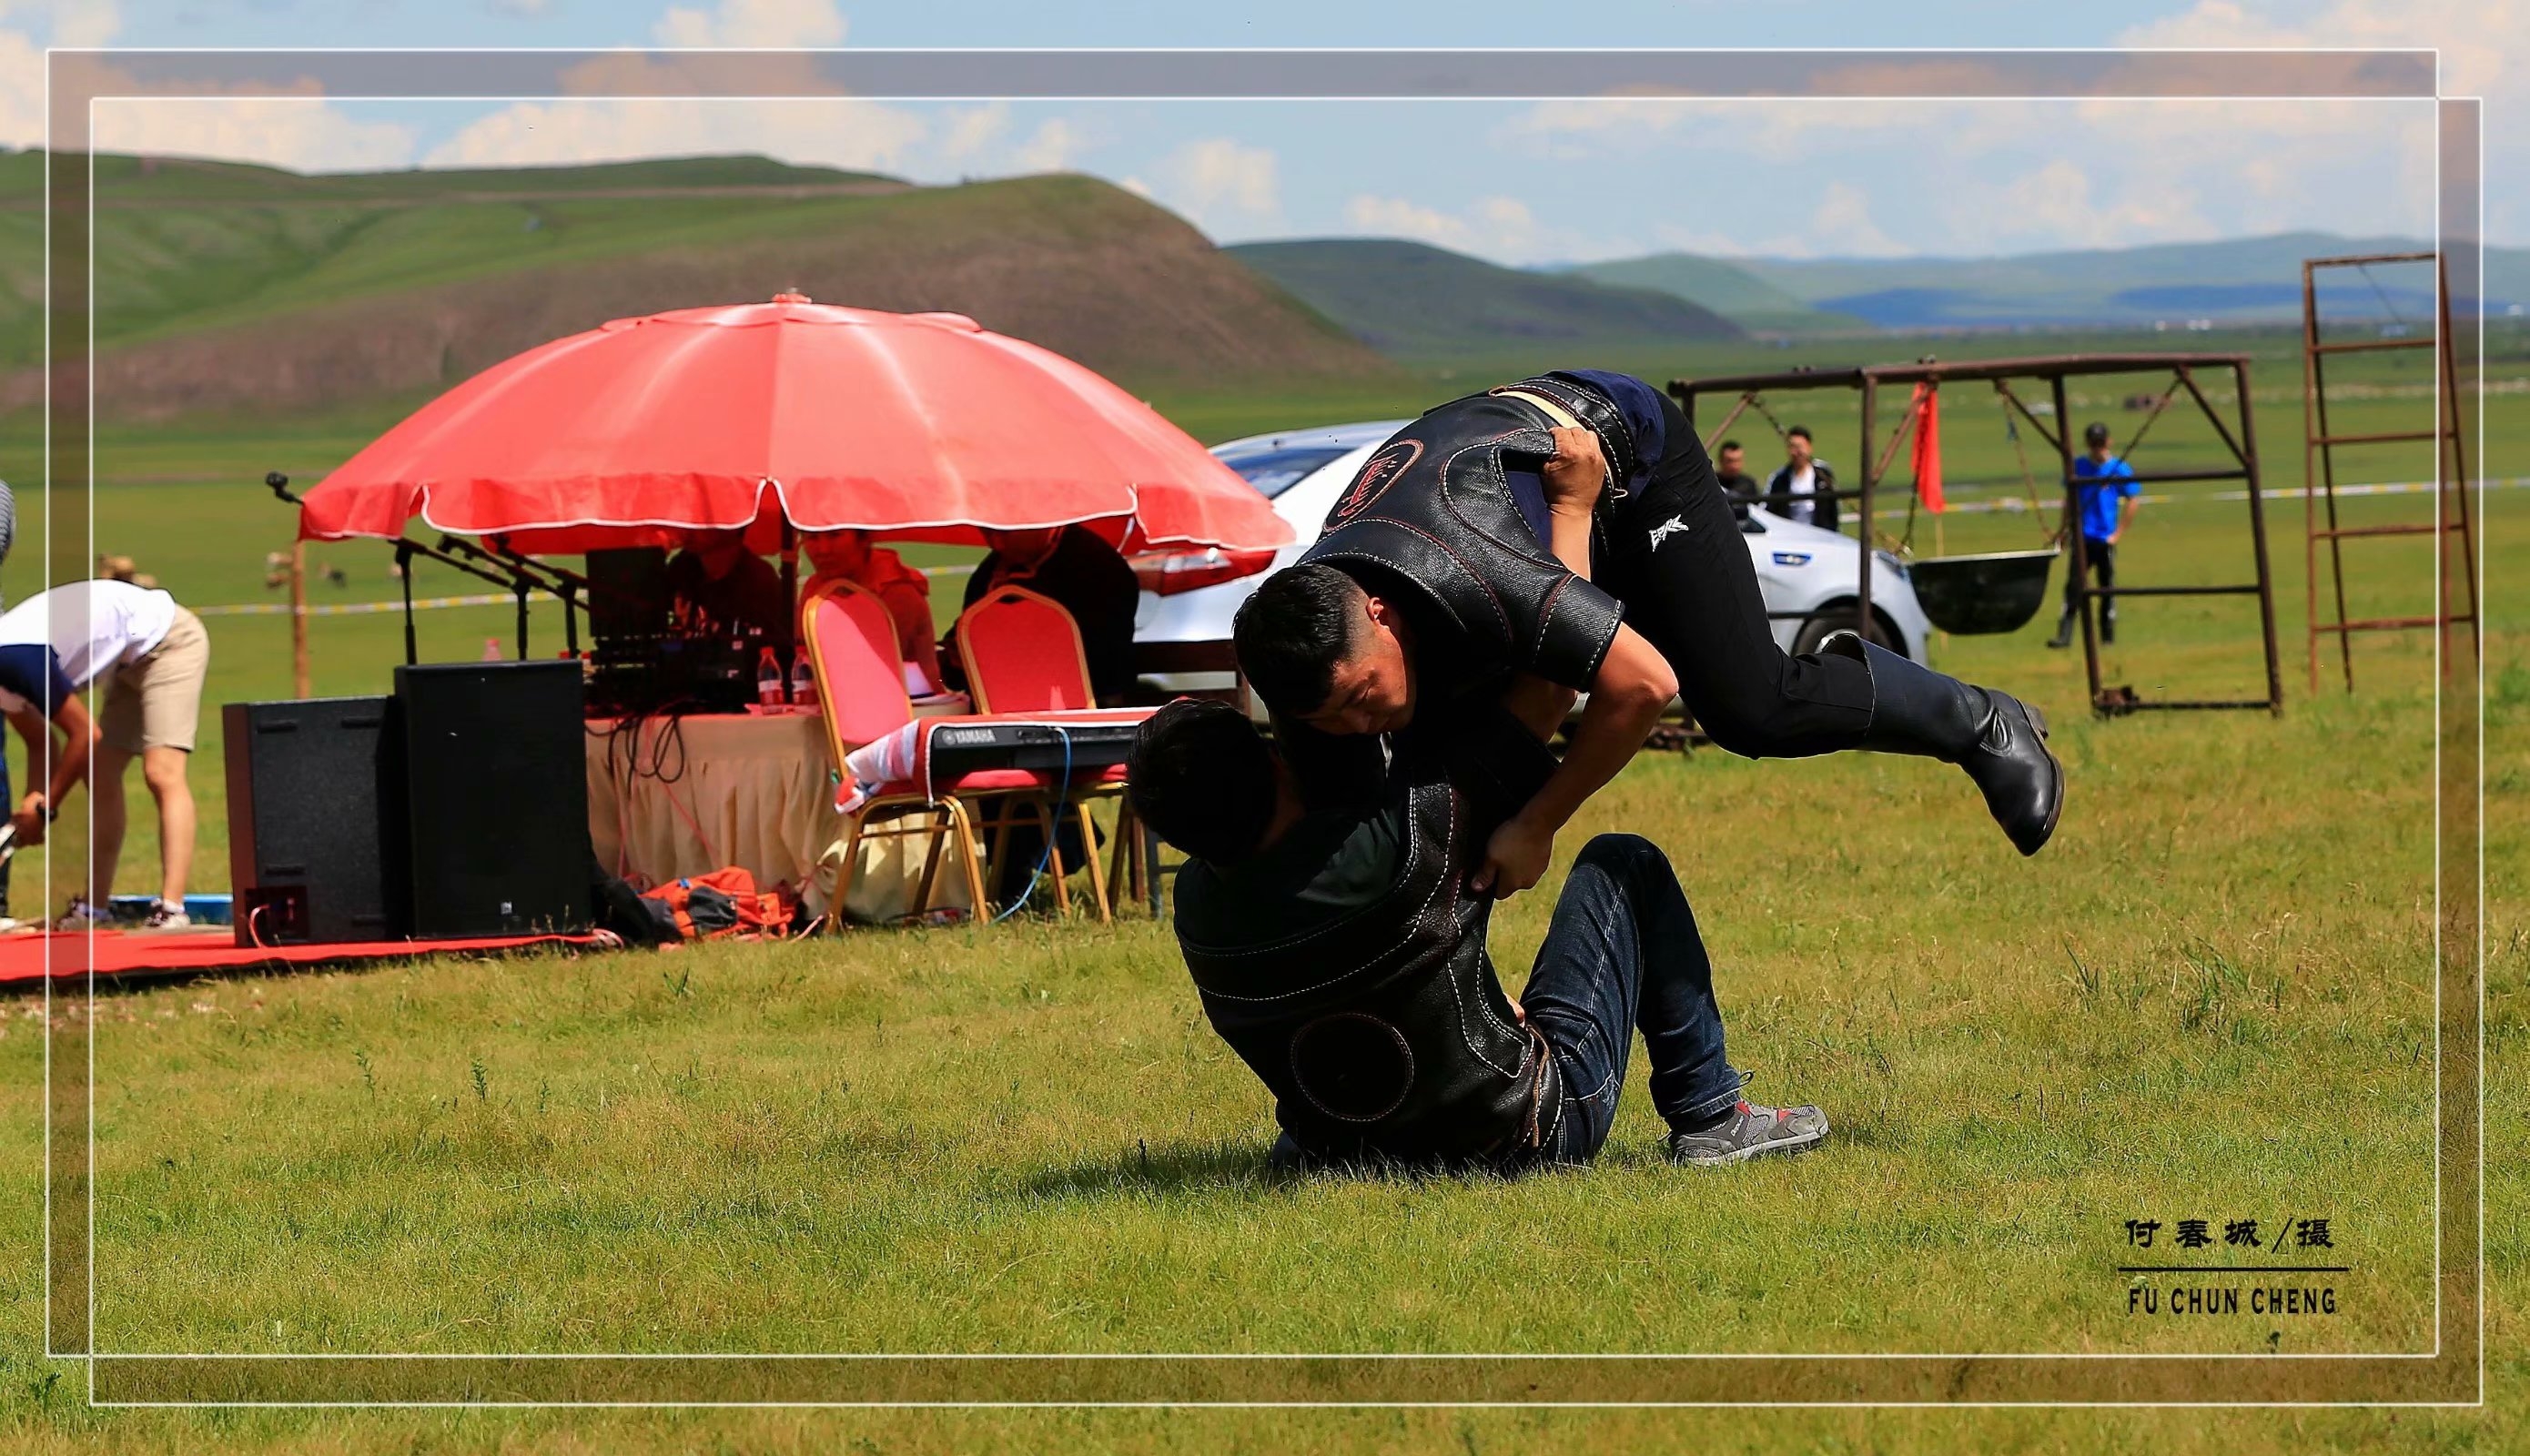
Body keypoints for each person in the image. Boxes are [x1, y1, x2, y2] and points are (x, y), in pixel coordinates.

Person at [1232, 369, 2061, 905]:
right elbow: (1324, 827)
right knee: (1421, 796)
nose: (1354, 726)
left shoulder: (1474, 569)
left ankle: (1980, 720)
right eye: (1329, 720)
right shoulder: (1313, 634)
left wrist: (1538, 824)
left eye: (1359, 699)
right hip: (1509, 500)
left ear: (1382, 617)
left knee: (1750, 708)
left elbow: (1622, 686)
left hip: (1617, 469)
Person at [1128, 692, 1827, 1172]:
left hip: (1342, 1149)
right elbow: (1543, 699)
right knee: (1624, 863)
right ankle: (1712, 1116)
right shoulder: (1392, 852)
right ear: (1275, 763)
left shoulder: (1196, 907)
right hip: (1525, 1133)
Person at [0, 579, 208, 929]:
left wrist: (47, 808)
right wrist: (33, 803)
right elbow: (41, 742)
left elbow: (84, 734)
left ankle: (173, 909)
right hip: (127, 661)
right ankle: (94, 910)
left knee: (162, 772)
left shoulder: (15, 658)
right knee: (99, 774)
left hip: (170, 640)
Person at [946, 526, 1138, 705]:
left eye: (1004, 533)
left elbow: (1103, 655)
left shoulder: (1098, 567)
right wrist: (958, 654)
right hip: (997, 708)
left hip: (1091, 704)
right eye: (987, 533)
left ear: (1039, 523)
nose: (996, 544)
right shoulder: (989, 572)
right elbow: (956, 670)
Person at [802, 530, 945, 692]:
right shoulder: (814, 589)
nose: (823, 550)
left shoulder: (896, 591)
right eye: (812, 538)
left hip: (912, 704)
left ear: (864, 539)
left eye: (835, 536)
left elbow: (865, 669)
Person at [2048, 423, 2140, 649]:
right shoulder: (2078, 466)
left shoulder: (2119, 468)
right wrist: (2062, 530)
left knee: (2106, 589)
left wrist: (2117, 534)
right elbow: (2068, 501)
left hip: (2104, 539)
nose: (2097, 448)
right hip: (2081, 538)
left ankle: (2107, 638)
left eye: (2100, 443)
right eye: (2093, 443)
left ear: (2108, 442)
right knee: (2073, 588)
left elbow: (2133, 500)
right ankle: (2064, 636)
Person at [665, 528, 787, 641]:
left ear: (733, 527)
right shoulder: (683, 566)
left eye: (706, 517)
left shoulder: (760, 580)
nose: (690, 525)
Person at [1763, 426, 1838, 531]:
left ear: (1809, 447)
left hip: (1820, 533)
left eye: (1800, 447)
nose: (1796, 452)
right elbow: (1769, 509)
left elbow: (1833, 508)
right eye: (1792, 447)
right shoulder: (1779, 478)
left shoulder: (1823, 474)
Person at [1713, 439, 1761, 522]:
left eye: (1738, 461)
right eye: (1730, 461)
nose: (1734, 466)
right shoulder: (1712, 483)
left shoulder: (1749, 484)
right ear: (1720, 460)